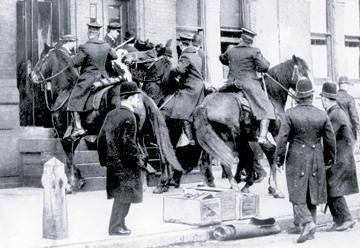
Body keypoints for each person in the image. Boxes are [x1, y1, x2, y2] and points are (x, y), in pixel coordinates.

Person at [274, 78, 336, 243]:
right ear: (311, 95)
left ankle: (307, 223)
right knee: (312, 192)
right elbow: (330, 140)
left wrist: (278, 160)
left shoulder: (290, 114)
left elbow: (282, 140)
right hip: (317, 157)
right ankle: (310, 228)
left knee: (297, 193)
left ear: (297, 96)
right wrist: (330, 159)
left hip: (296, 157)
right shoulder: (321, 114)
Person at [97, 81, 146, 236]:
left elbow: (101, 139)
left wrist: (105, 161)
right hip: (126, 164)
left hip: (114, 162)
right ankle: (116, 227)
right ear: (130, 98)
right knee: (124, 197)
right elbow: (129, 143)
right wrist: (138, 163)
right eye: (137, 97)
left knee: (122, 197)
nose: (138, 101)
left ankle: (120, 224)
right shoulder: (130, 116)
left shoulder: (111, 114)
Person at [219, 28, 275, 144]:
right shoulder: (254, 51)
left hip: (231, 83)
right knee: (266, 107)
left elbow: (222, 58)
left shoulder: (231, 51)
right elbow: (265, 67)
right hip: (249, 83)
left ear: (241, 38)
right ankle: (263, 137)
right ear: (251, 40)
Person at [67, 22, 118, 139]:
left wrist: (72, 57)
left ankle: (78, 128)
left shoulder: (85, 46)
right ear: (99, 32)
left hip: (89, 78)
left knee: (74, 98)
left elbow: (75, 63)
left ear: (89, 32)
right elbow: (114, 56)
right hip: (104, 77)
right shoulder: (105, 45)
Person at [320, 81, 359, 231]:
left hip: (341, 159)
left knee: (333, 188)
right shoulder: (335, 112)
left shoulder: (334, 114)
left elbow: (328, 136)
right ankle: (339, 220)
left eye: (322, 99)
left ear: (324, 99)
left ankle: (346, 218)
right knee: (332, 188)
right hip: (342, 157)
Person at [164, 32, 205, 145]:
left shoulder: (185, 55)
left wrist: (171, 69)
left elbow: (181, 70)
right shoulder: (196, 55)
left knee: (180, 111)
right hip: (198, 86)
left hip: (190, 88)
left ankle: (189, 138)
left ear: (182, 44)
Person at [336, 76, 360, 141]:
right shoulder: (350, 98)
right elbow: (354, 115)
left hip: (334, 129)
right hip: (347, 130)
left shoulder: (333, 97)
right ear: (346, 85)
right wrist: (358, 128)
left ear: (339, 85)